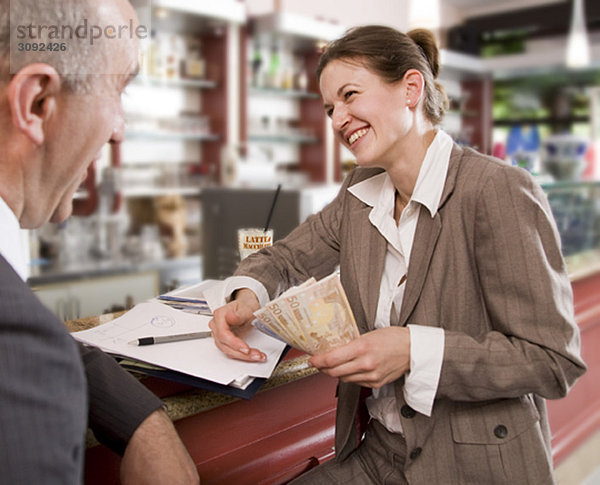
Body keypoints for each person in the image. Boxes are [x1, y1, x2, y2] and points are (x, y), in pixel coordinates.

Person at [210, 25, 586, 484]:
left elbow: (552, 359)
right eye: (330, 108)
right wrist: (246, 295)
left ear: (411, 88)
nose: (337, 119)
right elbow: (285, 258)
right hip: (380, 455)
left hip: (474, 467)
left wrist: (413, 351)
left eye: (350, 95)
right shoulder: (360, 193)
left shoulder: (497, 191)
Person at [0, 0, 198, 483]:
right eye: (119, 88)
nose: (119, 130)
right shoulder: (21, 352)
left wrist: (138, 418)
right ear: (37, 104)